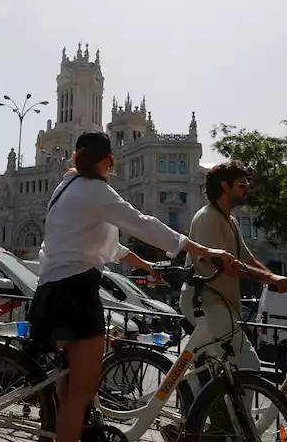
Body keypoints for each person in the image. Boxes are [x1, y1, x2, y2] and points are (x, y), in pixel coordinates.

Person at [29, 131, 239, 442]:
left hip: (47, 293)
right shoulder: (96, 191)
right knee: (81, 392)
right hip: (75, 294)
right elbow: (144, 224)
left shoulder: (65, 187)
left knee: (67, 386)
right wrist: (205, 251)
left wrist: (149, 266)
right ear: (109, 160)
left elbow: (109, 246)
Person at [184, 162, 287, 373]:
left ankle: (202, 404)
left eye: (247, 184)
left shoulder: (230, 220)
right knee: (248, 366)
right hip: (206, 303)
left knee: (214, 370)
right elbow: (226, 266)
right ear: (225, 186)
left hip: (221, 303)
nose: (247, 188)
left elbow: (247, 259)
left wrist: (278, 279)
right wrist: (272, 280)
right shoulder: (207, 218)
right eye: (241, 184)